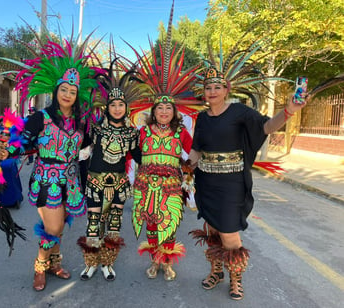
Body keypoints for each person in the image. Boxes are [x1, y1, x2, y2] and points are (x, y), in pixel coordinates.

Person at [188, 63, 307, 300]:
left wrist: (290, 110)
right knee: (212, 229)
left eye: (217, 87)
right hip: (206, 182)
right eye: (208, 87)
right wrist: (184, 169)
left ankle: (236, 278)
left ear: (226, 89)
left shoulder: (239, 111)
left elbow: (266, 127)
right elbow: (196, 150)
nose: (212, 91)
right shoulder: (201, 118)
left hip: (232, 183)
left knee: (230, 234)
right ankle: (217, 272)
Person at [0, 38, 98, 291]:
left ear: (77, 96)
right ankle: (40, 266)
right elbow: (22, 142)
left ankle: (54, 262)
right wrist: (4, 151)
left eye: (72, 92)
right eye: (64, 89)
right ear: (56, 91)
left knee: (61, 226)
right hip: (47, 179)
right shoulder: (41, 118)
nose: (68, 95)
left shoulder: (80, 123)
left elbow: (88, 146)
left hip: (71, 179)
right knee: (52, 226)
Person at [128, 3, 200, 281]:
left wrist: (191, 170)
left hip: (171, 185)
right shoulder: (142, 132)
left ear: (174, 113)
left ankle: (166, 262)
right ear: (153, 111)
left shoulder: (180, 132)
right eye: (160, 108)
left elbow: (193, 151)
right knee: (151, 226)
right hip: (146, 184)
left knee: (169, 224)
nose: (164, 112)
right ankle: (154, 262)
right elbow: (131, 154)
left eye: (169, 109)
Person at [77, 60, 143, 281]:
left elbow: (141, 158)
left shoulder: (132, 133)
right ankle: (90, 264)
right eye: (113, 104)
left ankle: (107, 263)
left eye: (120, 105)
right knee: (93, 224)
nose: (117, 108)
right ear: (107, 107)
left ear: (126, 107)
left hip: (119, 185)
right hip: (95, 183)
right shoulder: (94, 129)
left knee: (114, 225)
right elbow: (77, 147)